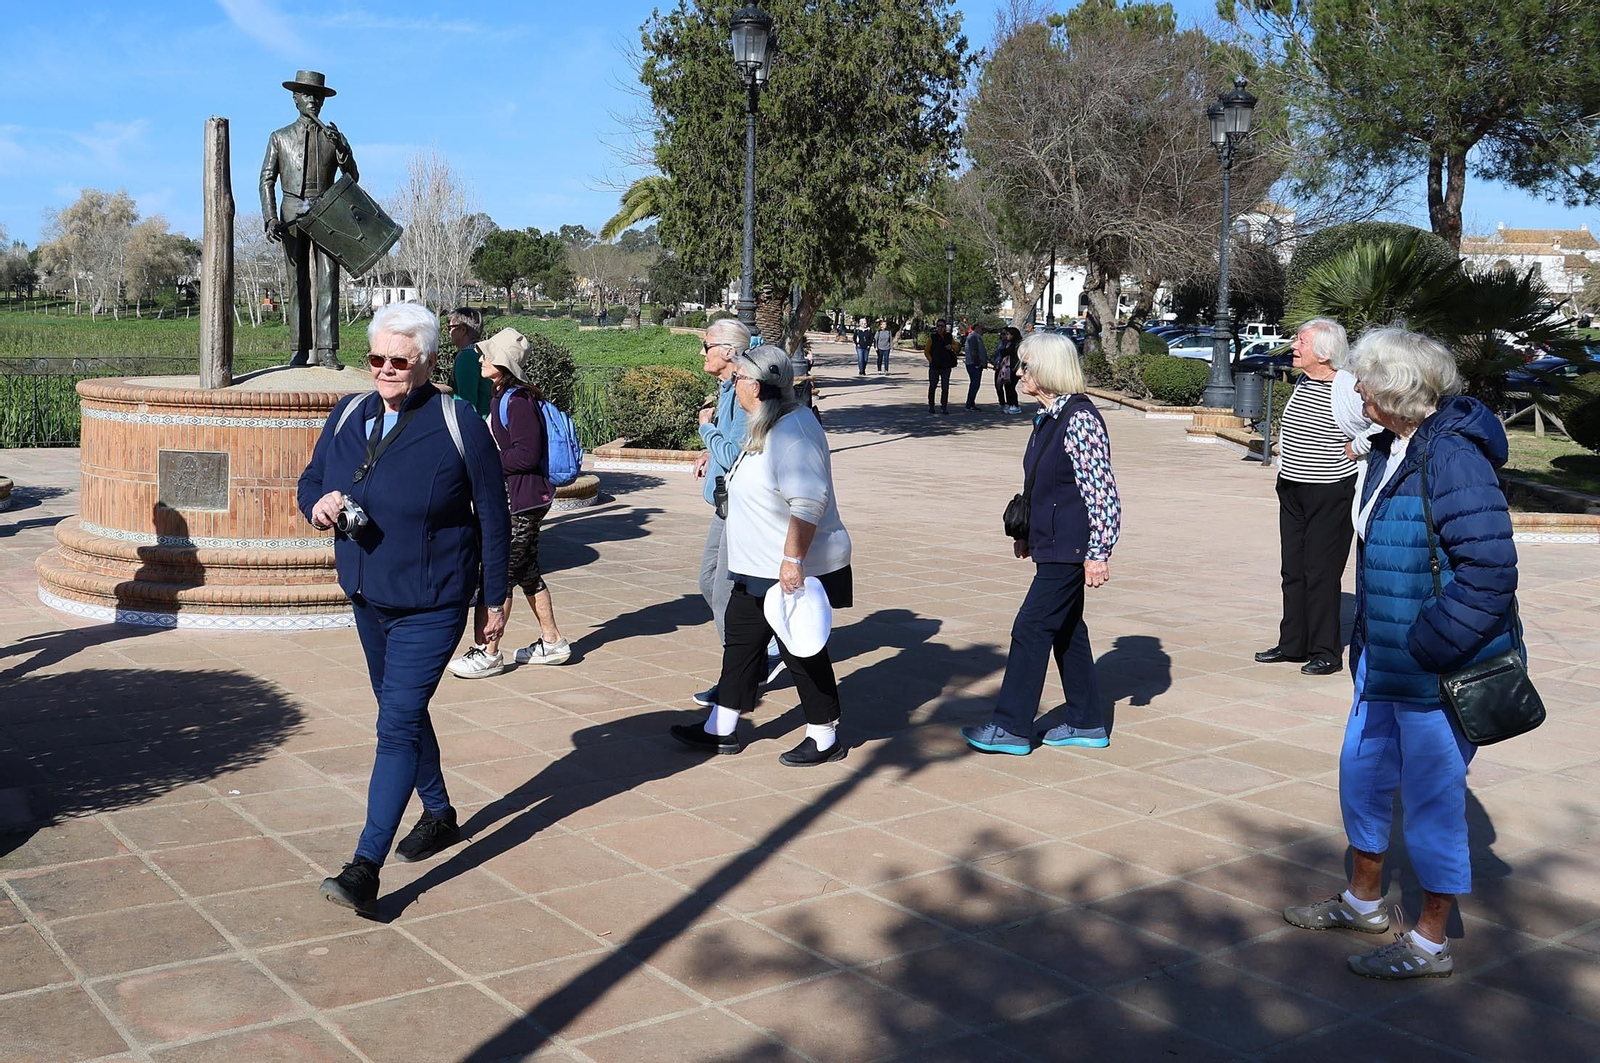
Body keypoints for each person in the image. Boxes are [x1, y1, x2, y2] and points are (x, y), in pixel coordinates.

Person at [1282, 328, 1519, 981]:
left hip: (1436, 671)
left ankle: (1430, 941)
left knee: (1433, 799)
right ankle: (1362, 901)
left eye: (1363, 381)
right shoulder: (1392, 447)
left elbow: (1491, 572)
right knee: (1362, 774)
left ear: (1392, 392)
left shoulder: (1453, 458)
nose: (1354, 390)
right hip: (1383, 661)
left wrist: (1428, 644)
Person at [297, 302, 510, 917]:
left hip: (432, 600)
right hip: (367, 594)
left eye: (399, 360)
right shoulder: (348, 413)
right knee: (403, 712)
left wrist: (493, 599)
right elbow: (311, 479)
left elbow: (493, 516)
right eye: (377, 359)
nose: (386, 370)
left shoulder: (457, 420)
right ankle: (439, 813)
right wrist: (320, 505)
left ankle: (364, 867)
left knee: (394, 725)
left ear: (426, 363)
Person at [671, 344, 853, 766]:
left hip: (787, 565)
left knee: (801, 650)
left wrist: (793, 562)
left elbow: (809, 501)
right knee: (741, 641)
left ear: (754, 385)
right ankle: (721, 727)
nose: (733, 386)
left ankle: (825, 736)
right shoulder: (766, 423)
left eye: (737, 380)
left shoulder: (793, 431)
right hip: (756, 565)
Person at [961, 332, 1121, 755]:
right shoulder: (1049, 416)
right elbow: (1046, 485)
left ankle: (1011, 726)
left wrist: (1098, 552)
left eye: (1026, 366)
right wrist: (1028, 533)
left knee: (1031, 627)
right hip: (1053, 543)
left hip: (1071, 548)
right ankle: (1087, 722)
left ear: (1048, 370)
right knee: (1067, 631)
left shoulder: (1080, 418)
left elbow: (1101, 493)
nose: (1019, 372)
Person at [447, 328, 572, 679]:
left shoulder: (517, 401)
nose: (482, 359)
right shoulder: (504, 396)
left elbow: (526, 455)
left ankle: (488, 652)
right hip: (523, 500)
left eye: (487, 356)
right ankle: (552, 641)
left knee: (497, 577)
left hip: (523, 502)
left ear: (502, 364)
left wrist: (486, 460)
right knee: (528, 572)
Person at [689, 319, 784, 706]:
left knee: (724, 591)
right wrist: (710, 450)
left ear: (728, 351)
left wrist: (705, 430)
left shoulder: (743, 393)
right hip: (725, 504)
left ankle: (741, 675)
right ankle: (757, 658)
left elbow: (738, 456)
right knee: (709, 581)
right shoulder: (729, 388)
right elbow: (728, 450)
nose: (702, 351)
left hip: (739, 508)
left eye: (707, 344)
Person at [1256, 318, 1358, 676]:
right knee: (1292, 570)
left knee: (1321, 572)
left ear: (1325, 352)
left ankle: (1326, 651)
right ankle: (1293, 643)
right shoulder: (1305, 380)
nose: (1294, 347)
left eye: (1301, 342)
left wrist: (1356, 446)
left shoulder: (1346, 386)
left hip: (1330, 490)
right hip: (1293, 487)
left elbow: (1376, 426)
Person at [259, 70, 358, 370]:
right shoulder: (279, 137)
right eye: (306, 95)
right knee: (296, 282)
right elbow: (266, 179)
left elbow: (352, 178)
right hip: (291, 215)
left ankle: (327, 349)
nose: (313, 101)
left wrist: (342, 149)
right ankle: (299, 349)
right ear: (295, 99)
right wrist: (270, 217)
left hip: (326, 212)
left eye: (317, 96)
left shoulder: (333, 138)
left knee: (329, 280)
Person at [446, 307, 493, 418]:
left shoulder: (466, 357)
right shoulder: (482, 352)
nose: (448, 331)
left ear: (463, 330)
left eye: (450, 327)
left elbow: (466, 403)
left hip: (474, 425)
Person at [925, 319, 959, 414]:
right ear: (936, 327)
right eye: (938, 326)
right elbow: (926, 351)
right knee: (932, 386)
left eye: (942, 326)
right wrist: (931, 360)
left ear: (945, 327)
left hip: (946, 367)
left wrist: (951, 347)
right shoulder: (932, 337)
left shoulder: (949, 337)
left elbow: (957, 347)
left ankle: (944, 406)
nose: (940, 328)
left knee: (945, 387)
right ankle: (931, 405)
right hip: (934, 367)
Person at [993, 326, 1022, 413]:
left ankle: (1015, 405)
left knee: (1011, 387)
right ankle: (1009, 404)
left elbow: (1008, 352)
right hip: (1006, 367)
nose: (1006, 336)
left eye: (1007, 334)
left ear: (1013, 335)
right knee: (1007, 387)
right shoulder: (1006, 343)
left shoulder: (1016, 344)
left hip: (1013, 367)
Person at [962, 322, 990, 411]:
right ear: (977, 328)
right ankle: (969, 405)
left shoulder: (975, 337)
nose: (983, 331)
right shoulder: (973, 337)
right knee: (974, 385)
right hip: (973, 365)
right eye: (982, 329)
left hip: (974, 365)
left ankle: (971, 404)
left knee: (975, 385)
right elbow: (973, 352)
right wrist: (978, 364)